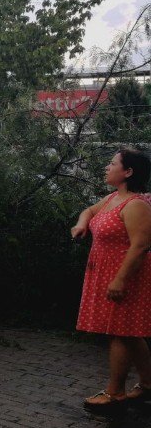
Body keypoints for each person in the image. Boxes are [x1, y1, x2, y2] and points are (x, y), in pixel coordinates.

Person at [71, 148, 151, 414]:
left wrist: (120, 280)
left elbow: (140, 246)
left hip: (126, 276)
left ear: (128, 172)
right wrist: (82, 224)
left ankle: (115, 392)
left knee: (120, 332)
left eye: (112, 163)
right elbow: (89, 211)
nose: (107, 167)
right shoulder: (113, 198)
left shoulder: (136, 204)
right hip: (107, 273)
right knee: (129, 332)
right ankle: (149, 384)